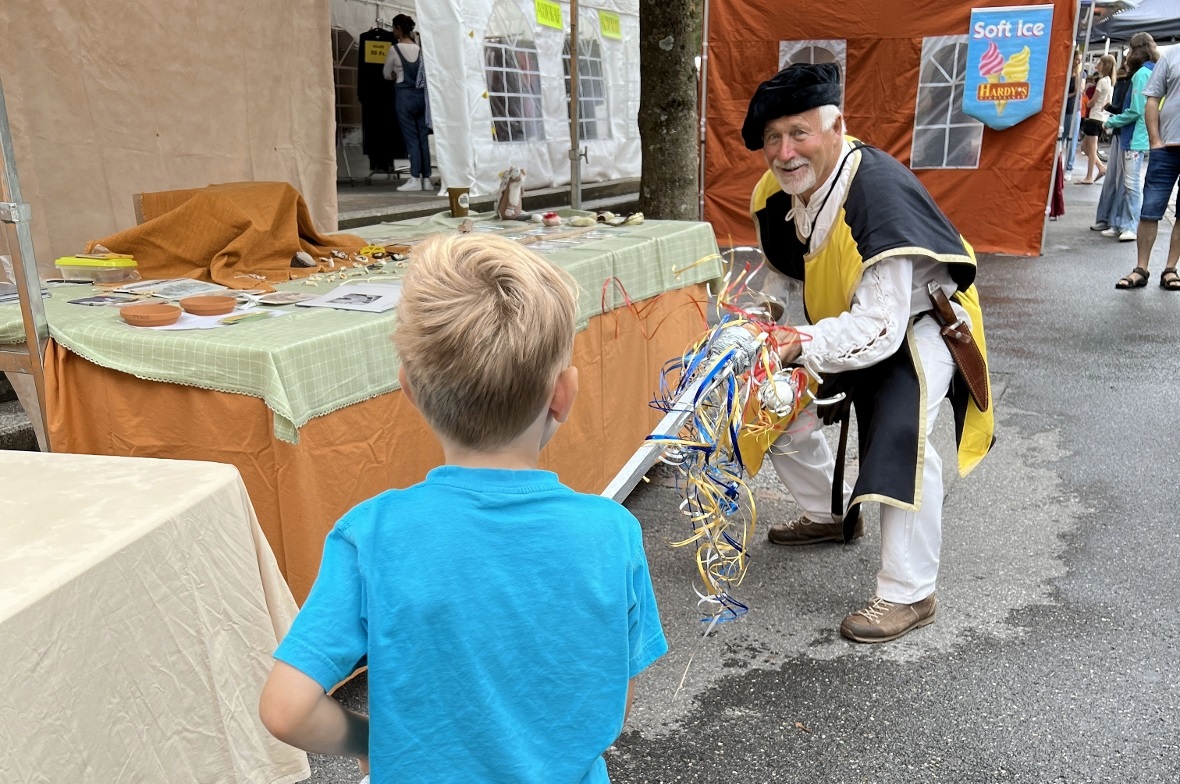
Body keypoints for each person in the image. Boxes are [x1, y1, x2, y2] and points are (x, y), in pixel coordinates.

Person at [258, 233, 668, 781]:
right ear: (563, 394)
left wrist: (371, 740)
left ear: (408, 389)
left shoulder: (372, 533)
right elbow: (610, 707)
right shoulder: (612, 532)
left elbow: (286, 710)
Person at [743, 63, 994, 644]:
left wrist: (799, 343)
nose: (784, 152)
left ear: (836, 128)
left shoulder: (874, 190)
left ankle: (910, 594)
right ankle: (830, 514)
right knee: (770, 399)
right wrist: (761, 326)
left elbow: (880, 328)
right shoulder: (775, 191)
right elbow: (785, 281)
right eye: (772, 138)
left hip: (918, 323)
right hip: (840, 319)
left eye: (798, 133)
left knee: (900, 439)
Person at [1120, 39, 1180, 291]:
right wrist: (1155, 139)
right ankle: (1141, 268)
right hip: (1166, 147)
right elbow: (1152, 99)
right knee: (1150, 209)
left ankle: (1170, 269)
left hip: (1165, 146)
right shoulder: (1172, 55)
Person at [1105, 34, 1160, 247]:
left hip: (1134, 136)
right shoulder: (1152, 71)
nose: (1127, 54)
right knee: (1130, 183)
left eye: (1130, 50)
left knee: (1130, 183)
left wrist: (1111, 122)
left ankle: (1129, 225)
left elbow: (1136, 110)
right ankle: (1123, 223)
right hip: (1139, 134)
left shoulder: (1141, 74)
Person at [382, 14, 432, 192]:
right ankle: (427, 179)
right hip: (421, 97)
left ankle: (414, 178)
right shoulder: (420, 50)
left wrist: (395, 74)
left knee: (411, 139)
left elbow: (386, 73)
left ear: (398, 29)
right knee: (423, 138)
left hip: (404, 96)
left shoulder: (395, 49)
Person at [1092, 65, 1130, 235]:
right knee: (1119, 180)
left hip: (1123, 133)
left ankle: (1111, 220)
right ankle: (1111, 220)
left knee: (1120, 180)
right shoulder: (1124, 81)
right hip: (1123, 132)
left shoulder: (1126, 81)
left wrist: (1110, 119)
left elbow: (1123, 109)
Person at [1079, 55, 1116, 185]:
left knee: (1090, 147)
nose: (1097, 65)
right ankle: (1100, 167)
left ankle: (1089, 176)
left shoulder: (1101, 82)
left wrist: (1086, 101)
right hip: (1102, 117)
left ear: (1105, 65)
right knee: (1086, 147)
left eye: (1100, 63)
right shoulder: (1110, 82)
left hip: (1094, 116)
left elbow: (1093, 101)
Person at [1065, 49, 1084, 180]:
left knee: (1072, 140)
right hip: (1063, 109)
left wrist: (1077, 74)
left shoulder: (1080, 74)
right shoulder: (1065, 72)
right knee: (1061, 139)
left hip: (1073, 108)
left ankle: (1069, 168)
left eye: (1079, 60)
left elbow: (1079, 91)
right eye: (1077, 59)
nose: (1078, 62)